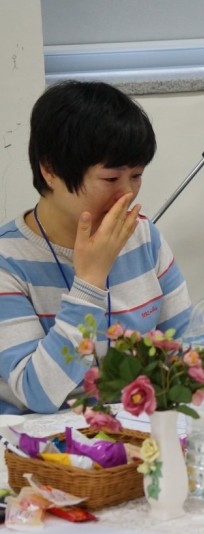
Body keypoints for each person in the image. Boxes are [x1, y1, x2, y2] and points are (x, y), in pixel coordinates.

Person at [0, 81, 191, 415]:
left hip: (133, 436)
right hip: (40, 442)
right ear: (50, 170)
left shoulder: (144, 237)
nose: (126, 195)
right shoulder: (8, 261)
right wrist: (90, 281)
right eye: (110, 179)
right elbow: (38, 394)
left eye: (136, 176)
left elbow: (184, 353)